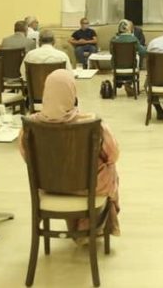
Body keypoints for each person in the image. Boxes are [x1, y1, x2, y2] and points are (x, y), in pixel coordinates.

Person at [18, 69, 120, 241]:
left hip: (49, 186)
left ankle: (81, 228)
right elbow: (113, 154)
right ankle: (91, 226)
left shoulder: (29, 126)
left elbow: (27, 158)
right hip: (88, 187)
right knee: (111, 170)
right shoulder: (92, 124)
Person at [111, 20, 147, 97]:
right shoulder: (133, 39)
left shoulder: (113, 39)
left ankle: (120, 83)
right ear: (129, 29)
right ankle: (128, 83)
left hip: (117, 67)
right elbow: (142, 52)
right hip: (131, 67)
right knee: (136, 62)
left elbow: (111, 52)